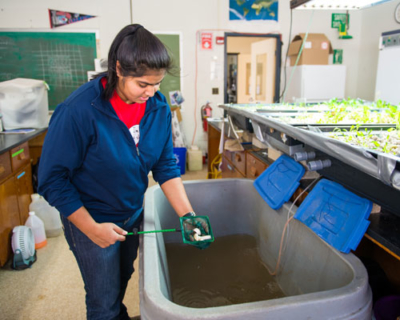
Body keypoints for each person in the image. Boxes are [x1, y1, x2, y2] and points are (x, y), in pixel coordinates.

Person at [38, 24, 202, 320]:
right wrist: (91, 228)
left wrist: (188, 216)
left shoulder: (158, 106)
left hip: (131, 213)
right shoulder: (79, 111)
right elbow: (52, 180)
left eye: (157, 83)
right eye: (142, 84)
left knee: (122, 278)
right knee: (103, 300)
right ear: (118, 69)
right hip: (91, 218)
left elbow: (165, 164)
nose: (151, 93)